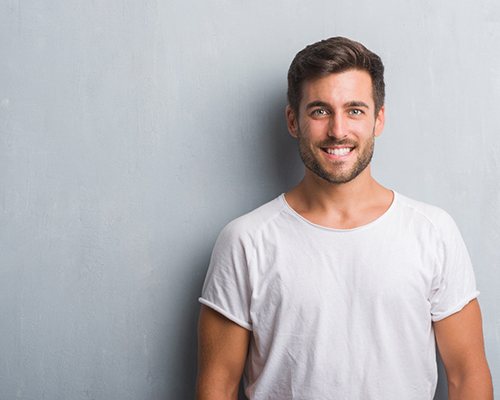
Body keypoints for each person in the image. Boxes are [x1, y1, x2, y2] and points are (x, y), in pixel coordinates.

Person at [195, 37, 493, 399]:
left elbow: (468, 376)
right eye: (320, 111)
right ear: (293, 121)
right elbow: (217, 388)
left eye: (355, 110)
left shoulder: (432, 232)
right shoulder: (245, 241)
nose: (338, 130)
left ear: (378, 119)